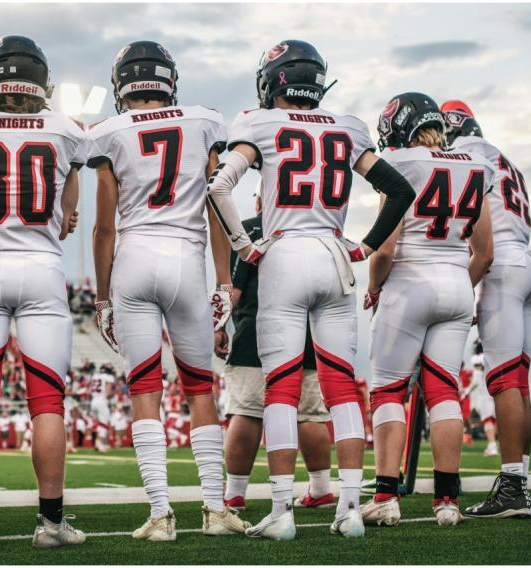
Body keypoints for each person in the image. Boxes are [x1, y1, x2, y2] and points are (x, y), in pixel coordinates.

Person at [205, 40, 416, 540]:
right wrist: (363, 247)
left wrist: (245, 245)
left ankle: (281, 511)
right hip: (334, 255)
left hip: (284, 254)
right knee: (341, 385)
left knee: (280, 388)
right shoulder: (347, 126)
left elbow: (217, 187)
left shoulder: (258, 124)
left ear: (273, 80)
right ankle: (347, 509)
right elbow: (400, 190)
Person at [90, 40, 248, 541]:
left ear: (123, 86)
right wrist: (225, 280)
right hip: (186, 258)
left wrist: (102, 297)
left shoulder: (109, 131)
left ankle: (160, 514)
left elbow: (103, 229)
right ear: (167, 81)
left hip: (134, 257)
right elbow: (216, 207)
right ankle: (215, 508)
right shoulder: (203, 121)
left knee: (144, 390)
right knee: (200, 389)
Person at [0, 35, 86, 550]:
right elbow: (70, 198)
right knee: (47, 402)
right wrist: (64, 212)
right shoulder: (65, 128)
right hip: (41, 266)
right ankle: (51, 523)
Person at [359, 93, 494, 527]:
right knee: (443, 393)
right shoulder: (476, 166)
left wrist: (375, 286)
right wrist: (456, 287)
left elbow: (385, 246)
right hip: (456, 282)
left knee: (387, 390)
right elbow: (484, 252)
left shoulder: (400, 163)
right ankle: (447, 501)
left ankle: (385, 494)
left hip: (408, 283)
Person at [441, 100, 531, 518]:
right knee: (518, 383)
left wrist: (463, 286)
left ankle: (513, 488)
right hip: (527, 264)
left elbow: (480, 238)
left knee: (502, 383)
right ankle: (521, 479)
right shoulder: (503, 156)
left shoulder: (469, 156)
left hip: (500, 266)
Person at [218, 191, 335, 513]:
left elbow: (235, 289)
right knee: (310, 413)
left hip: (257, 329)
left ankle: (235, 493)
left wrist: (218, 325)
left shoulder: (251, 229)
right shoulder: (317, 232)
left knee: (246, 410)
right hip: (309, 332)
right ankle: (322, 488)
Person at [89, 367, 115, 452]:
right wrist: (113, 393)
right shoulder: (108, 377)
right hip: (101, 401)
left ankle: (102, 443)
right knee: (104, 423)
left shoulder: (95, 377)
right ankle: (99, 442)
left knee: (99, 424)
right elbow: (109, 393)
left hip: (93, 401)